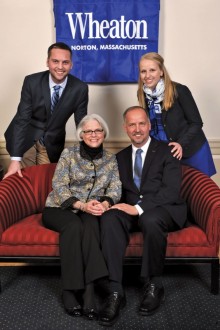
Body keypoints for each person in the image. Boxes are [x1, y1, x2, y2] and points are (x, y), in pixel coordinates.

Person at [98, 106, 187, 327]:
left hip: (163, 209)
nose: (137, 129)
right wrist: (108, 203)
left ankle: (154, 284)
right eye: (132, 125)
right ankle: (116, 291)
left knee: (150, 218)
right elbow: (113, 189)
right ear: (125, 128)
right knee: (109, 218)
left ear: (149, 125)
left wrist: (138, 209)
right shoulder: (118, 158)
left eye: (141, 124)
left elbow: (170, 191)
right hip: (129, 208)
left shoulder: (168, 151)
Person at [42, 114, 121, 320]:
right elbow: (58, 185)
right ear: (81, 135)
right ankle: (69, 291)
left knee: (91, 227)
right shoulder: (69, 154)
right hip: (59, 209)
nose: (93, 134)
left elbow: (115, 188)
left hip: (92, 209)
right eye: (88, 131)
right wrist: (81, 205)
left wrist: (103, 204)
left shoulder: (111, 159)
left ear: (104, 134)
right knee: (74, 226)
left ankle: (89, 294)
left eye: (97, 130)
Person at [4, 42, 88, 179]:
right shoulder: (31, 82)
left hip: (52, 143)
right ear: (47, 62)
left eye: (65, 62)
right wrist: (15, 159)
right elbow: (22, 119)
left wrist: (87, 155)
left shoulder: (80, 88)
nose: (60, 67)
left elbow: (82, 123)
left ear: (71, 65)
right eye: (55, 61)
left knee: (46, 184)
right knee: (25, 180)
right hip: (24, 139)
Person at [137, 52, 216, 177]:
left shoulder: (180, 90)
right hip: (166, 152)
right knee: (175, 192)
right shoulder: (142, 94)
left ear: (161, 71)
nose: (147, 75)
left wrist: (181, 144)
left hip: (191, 150)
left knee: (200, 191)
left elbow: (196, 123)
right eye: (143, 71)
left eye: (152, 70)